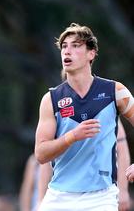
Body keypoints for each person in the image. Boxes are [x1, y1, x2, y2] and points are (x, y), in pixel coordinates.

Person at [35, 23, 134, 210]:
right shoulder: (51, 99)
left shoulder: (115, 91)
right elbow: (40, 154)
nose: (67, 51)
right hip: (59, 196)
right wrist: (72, 137)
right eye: (64, 46)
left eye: (76, 45)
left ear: (92, 53)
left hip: (101, 197)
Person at [37, 119, 132, 211]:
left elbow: (121, 149)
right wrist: (41, 199)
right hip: (61, 193)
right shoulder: (55, 107)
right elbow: (45, 159)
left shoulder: (108, 107)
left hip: (99, 194)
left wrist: (123, 190)